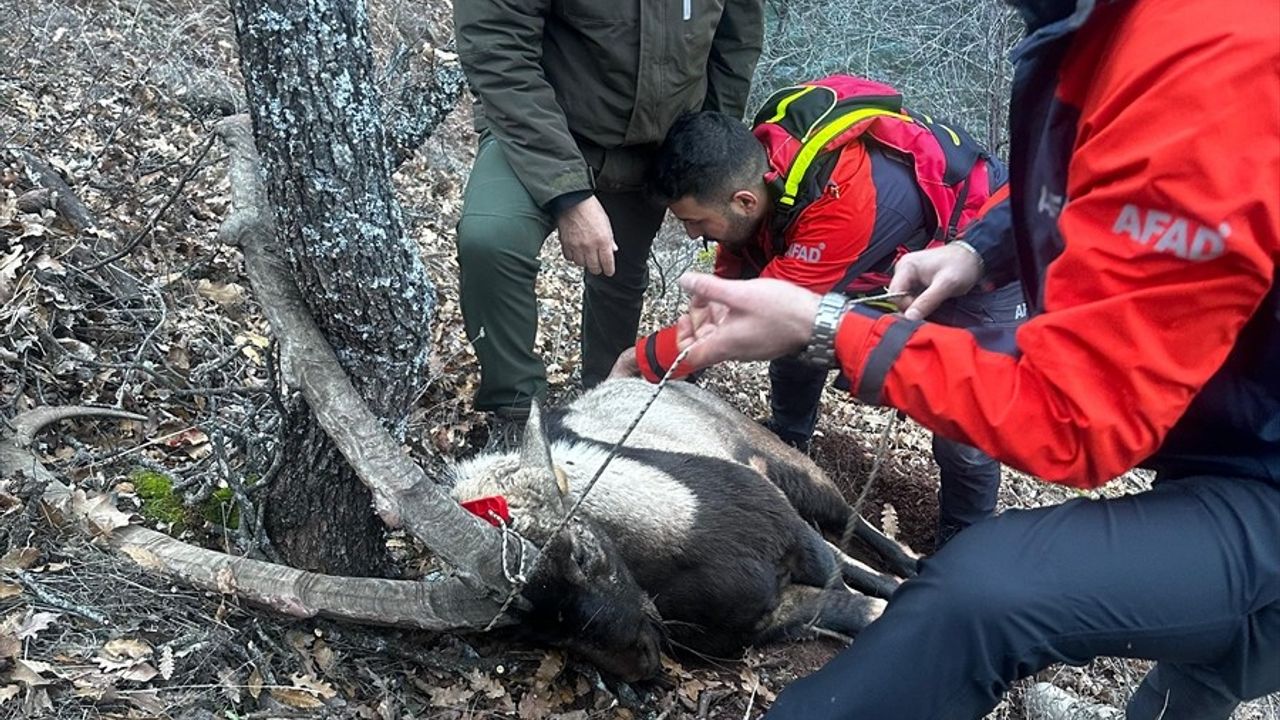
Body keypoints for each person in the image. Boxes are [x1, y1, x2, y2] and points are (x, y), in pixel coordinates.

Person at [652, 0, 1279, 717]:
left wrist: (830, 328)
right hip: (1228, 441)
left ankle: (958, 532)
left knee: (979, 592)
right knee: (1200, 677)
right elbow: (1084, 180)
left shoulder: (1208, 58)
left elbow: (1074, 418)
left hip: (1256, 474)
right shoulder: (1091, 32)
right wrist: (979, 250)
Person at [611, 79, 1025, 546]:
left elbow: (751, 315)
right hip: (892, 252)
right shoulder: (764, 163)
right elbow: (737, 274)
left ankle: (966, 538)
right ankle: (789, 437)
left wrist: (638, 362)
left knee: (964, 414)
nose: (690, 236)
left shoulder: (842, 199)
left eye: (694, 222)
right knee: (802, 330)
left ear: (743, 201)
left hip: (981, 246)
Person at [452, 0, 765, 442]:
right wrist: (570, 194)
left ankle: (602, 411)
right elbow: (497, 48)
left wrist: (702, 162)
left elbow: (735, 47)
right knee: (492, 239)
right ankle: (519, 416)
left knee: (620, 274)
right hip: (540, 128)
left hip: (655, 145)